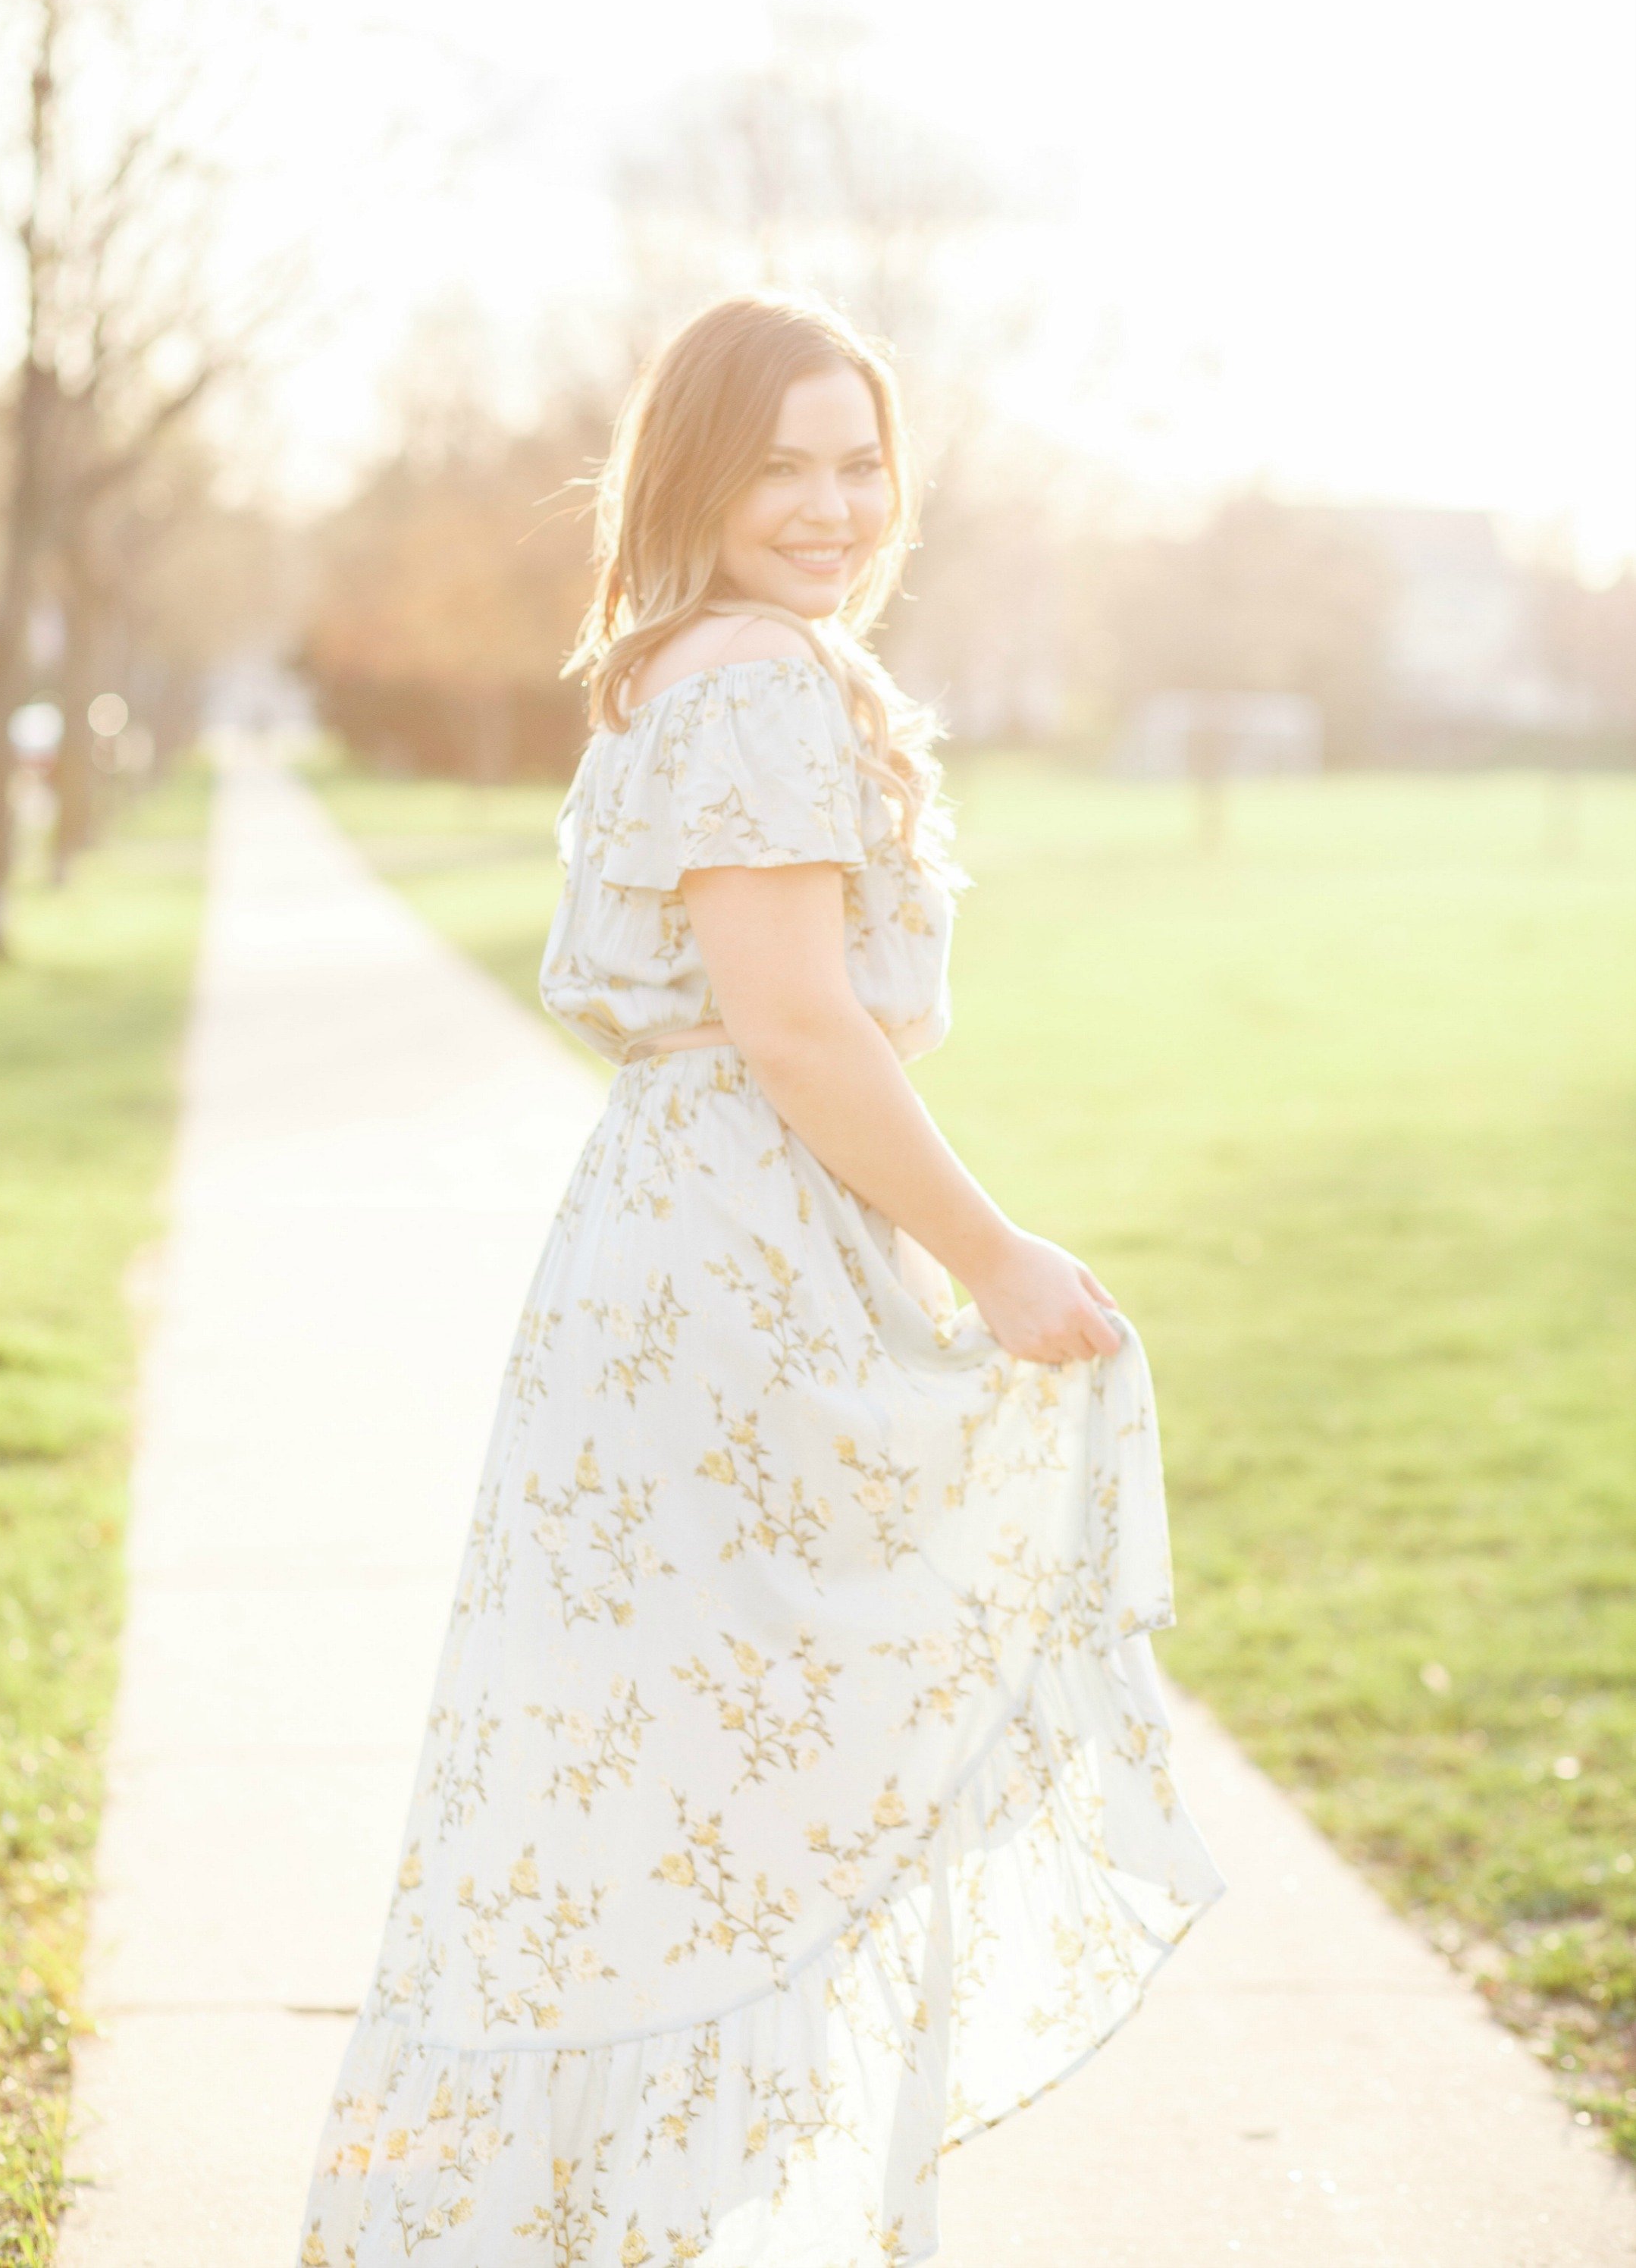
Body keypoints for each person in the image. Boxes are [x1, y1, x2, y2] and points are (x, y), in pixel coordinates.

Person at [296, 293, 1224, 2268]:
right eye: (779, 464)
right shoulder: (750, 685)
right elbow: (795, 1026)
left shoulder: (728, 666)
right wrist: (994, 1256)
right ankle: (619, 2224)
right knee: (732, 1778)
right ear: (693, 479)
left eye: (857, 462)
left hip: (707, 1238)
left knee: (690, 1776)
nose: (826, 504)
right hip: (726, 1255)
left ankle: (622, 2219)